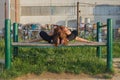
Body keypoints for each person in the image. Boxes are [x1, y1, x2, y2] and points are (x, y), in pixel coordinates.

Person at [26, 25, 93, 46]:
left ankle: (62, 33)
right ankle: (58, 34)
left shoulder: (68, 35)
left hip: (60, 36)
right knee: (73, 33)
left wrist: (87, 41)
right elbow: (41, 37)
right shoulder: (51, 37)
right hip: (56, 36)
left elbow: (77, 38)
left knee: (73, 33)